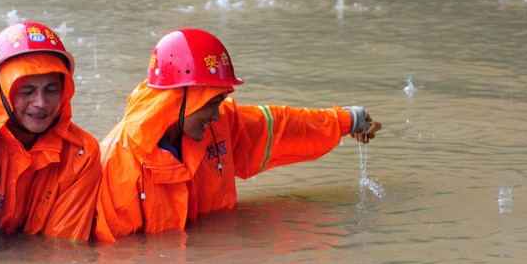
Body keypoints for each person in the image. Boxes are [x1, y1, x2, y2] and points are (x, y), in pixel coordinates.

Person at [93, 28, 383, 241]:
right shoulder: (118, 167)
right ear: (179, 99)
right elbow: (117, 260)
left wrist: (346, 120)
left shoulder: (219, 126)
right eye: (212, 104)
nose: (218, 115)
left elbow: (281, 126)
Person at [0, 21, 101, 242]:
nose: (40, 103)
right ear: (0, 91)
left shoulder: (83, 153)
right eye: (27, 90)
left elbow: (63, 250)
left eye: (51, 89)